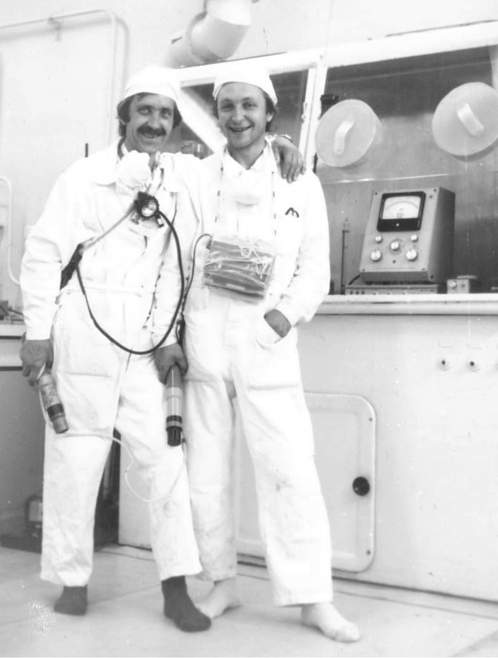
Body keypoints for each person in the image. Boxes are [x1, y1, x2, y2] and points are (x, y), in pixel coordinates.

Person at [20, 65, 302, 630]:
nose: (154, 123)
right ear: (123, 117)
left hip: (145, 339)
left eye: (165, 115)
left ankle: (175, 586)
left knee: (167, 460)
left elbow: (187, 247)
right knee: (77, 459)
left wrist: (278, 143)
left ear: (174, 125)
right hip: (83, 331)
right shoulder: (83, 177)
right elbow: (43, 254)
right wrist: (36, 332)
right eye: (144, 111)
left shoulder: (181, 176)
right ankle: (72, 581)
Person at [170, 65, 361, 643]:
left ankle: (312, 598)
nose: (238, 116)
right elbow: (176, 257)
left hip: (265, 341)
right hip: (206, 339)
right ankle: (221, 583)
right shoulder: (196, 177)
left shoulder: (300, 181)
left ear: (269, 113)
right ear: (217, 114)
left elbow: (316, 269)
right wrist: (178, 334)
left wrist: (282, 317)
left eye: (249, 105)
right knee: (205, 474)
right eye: (227, 106)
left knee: (290, 470)